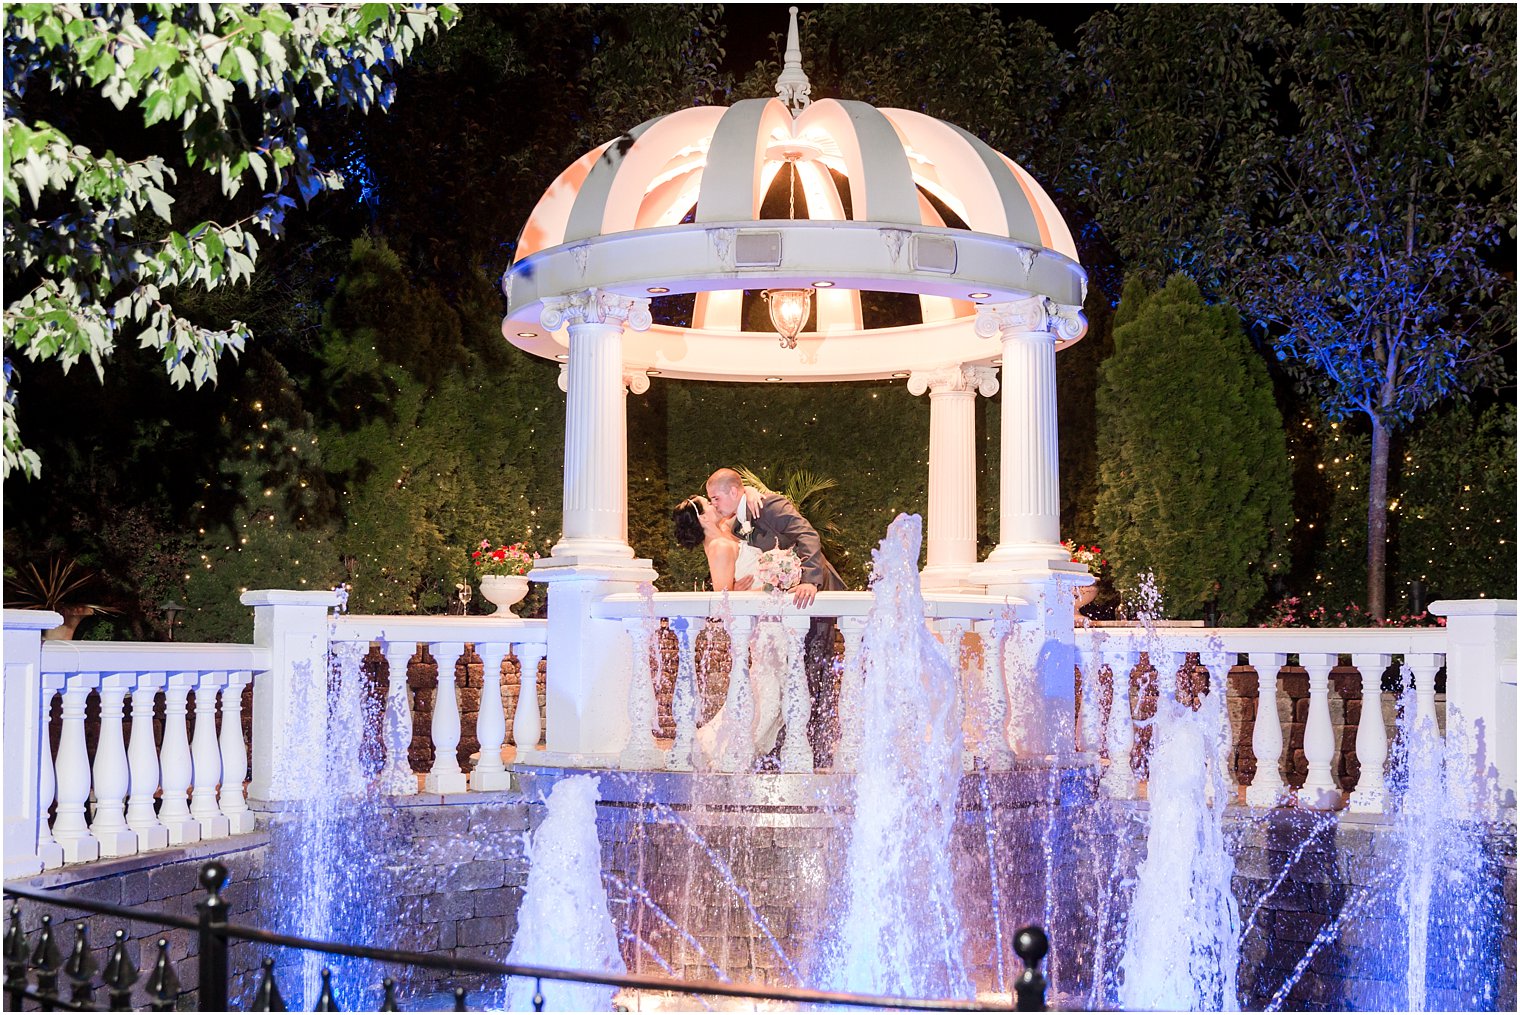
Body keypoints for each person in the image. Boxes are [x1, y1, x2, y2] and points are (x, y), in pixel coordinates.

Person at [704, 468, 847, 768]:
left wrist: (810, 579)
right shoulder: (743, 516)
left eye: (715, 497)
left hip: (812, 598)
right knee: (795, 675)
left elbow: (807, 534)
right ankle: (791, 747)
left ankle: (818, 752)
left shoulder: (767, 505)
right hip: (788, 607)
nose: (714, 503)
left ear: (733, 492)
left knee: (815, 672)